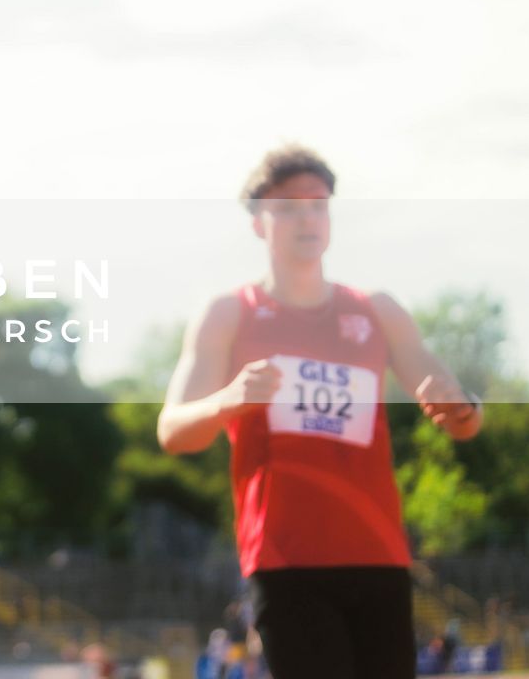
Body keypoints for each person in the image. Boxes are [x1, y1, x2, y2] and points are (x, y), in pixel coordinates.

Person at [159, 145, 484, 679]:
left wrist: (462, 411)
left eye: (317, 204)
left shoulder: (376, 310)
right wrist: (229, 399)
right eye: (287, 206)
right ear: (259, 222)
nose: (305, 217)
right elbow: (172, 432)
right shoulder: (228, 315)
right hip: (286, 559)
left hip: (378, 553)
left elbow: (463, 412)